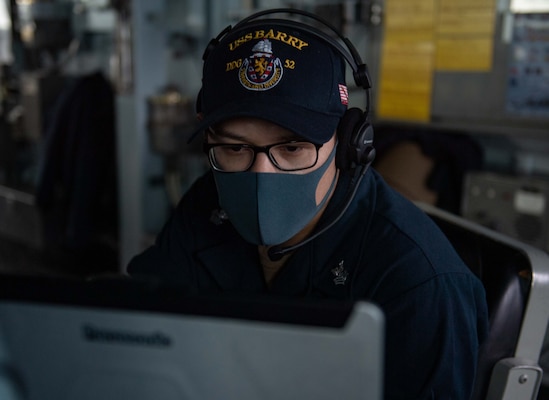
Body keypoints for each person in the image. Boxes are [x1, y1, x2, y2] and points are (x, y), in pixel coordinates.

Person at [128, 9, 488, 399]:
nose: (262, 173)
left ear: (349, 144)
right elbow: (142, 331)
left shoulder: (419, 283)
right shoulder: (206, 203)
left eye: (293, 147)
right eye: (235, 147)